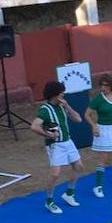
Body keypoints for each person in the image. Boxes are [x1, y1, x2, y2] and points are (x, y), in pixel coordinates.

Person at [30, 80, 85, 215]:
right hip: (56, 145)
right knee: (55, 174)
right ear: (54, 94)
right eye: (61, 93)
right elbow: (34, 126)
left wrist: (68, 106)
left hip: (68, 141)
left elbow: (78, 119)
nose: (63, 95)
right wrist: (48, 134)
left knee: (79, 167)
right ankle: (49, 201)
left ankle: (69, 194)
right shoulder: (45, 109)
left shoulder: (62, 106)